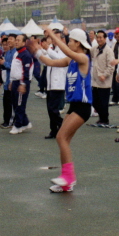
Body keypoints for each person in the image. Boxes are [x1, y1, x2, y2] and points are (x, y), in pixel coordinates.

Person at [31, 26, 93, 193]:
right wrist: (37, 52)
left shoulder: (83, 58)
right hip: (74, 106)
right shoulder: (70, 60)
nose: (68, 43)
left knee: (60, 138)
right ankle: (67, 181)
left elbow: (66, 50)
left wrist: (52, 35)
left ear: (78, 43)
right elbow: (50, 62)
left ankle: (68, 177)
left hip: (83, 107)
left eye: (71, 41)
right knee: (64, 140)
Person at [36, 25, 67, 139]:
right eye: (53, 38)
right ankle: (54, 130)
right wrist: (40, 52)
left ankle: (63, 126)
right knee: (50, 110)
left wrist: (47, 49)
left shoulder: (64, 50)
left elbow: (58, 59)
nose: (54, 40)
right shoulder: (53, 50)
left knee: (53, 109)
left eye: (56, 37)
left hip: (58, 84)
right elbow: (46, 62)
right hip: (51, 84)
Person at [9, 34, 34, 134]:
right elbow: (14, 69)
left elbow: (26, 71)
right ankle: (25, 122)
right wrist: (11, 81)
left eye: (19, 40)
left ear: (24, 43)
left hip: (22, 82)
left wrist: (23, 84)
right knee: (15, 104)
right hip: (15, 82)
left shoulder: (26, 55)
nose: (16, 42)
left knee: (20, 104)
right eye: (16, 40)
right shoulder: (16, 54)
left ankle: (18, 125)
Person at [90, 29, 115, 127]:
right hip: (96, 80)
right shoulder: (95, 48)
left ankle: (105, 119)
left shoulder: (108, 51)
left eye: (101, 37)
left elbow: (111, 66)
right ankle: (101, 117)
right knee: (95, 101)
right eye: (98, 37)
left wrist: (105, 75)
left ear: (105, 38)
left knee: (103, 102)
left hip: (104, 81)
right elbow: (88, 53)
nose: (99, 39)